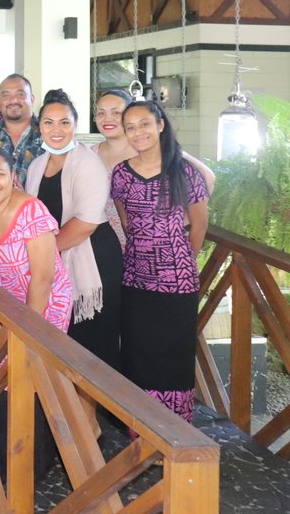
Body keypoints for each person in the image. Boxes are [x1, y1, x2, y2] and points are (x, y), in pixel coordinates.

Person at [110, 101, 209, 422]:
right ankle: (141, 428)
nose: (138, 132)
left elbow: (199, 224)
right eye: (131, 127)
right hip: (135, 279)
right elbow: (127, 222)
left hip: (178, 282)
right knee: (138, 353)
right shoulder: (122, 174)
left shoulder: (185, 172)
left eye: (145, 124)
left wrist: (182, 263)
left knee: (175, 356)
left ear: (160, 125)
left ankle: (176, 430)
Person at [26, 89, 120, 371]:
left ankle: (93, 413)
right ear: (39, 126)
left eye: (64, 122)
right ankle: (69, 411)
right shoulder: (36, 165)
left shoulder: (88, 163)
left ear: (75, 126)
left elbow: (85, 223)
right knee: (63, 341)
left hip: (93, 258)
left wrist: (41, 255)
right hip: (55, 259)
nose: (56, 130)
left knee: (91, 345)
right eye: (49, 122)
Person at [0, 146, 72, 363]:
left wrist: (24, 332)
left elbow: (43, 279)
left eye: (0, 174)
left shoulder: (32, 210)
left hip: (43, 302)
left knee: (34, 371)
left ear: (12, 176)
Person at [93, 88, 216, 246]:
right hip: (102, 245)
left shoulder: (152, 151)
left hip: (149, 249)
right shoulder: (90, 155)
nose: (107, 119)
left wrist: (173, 223)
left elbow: (208, 177)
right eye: (101, 113)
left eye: (116, 113)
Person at [0, 73, 44, 186]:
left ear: (32, 99)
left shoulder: (48, 135)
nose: (13, 100)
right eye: (6, 95)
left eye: (20, 94)